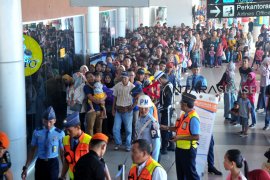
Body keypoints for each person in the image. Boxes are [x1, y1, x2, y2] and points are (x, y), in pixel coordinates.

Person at [161, 92, 200, 179]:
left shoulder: (193, 118)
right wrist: (166, 127)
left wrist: (179, 138)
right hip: (180, 149)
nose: (180, 104)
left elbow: (196, 137)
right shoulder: (184, 115)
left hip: (188, 151)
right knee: (181, 173)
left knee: (191, 174)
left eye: (181, 103)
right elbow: (177, 128)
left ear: (185, 104)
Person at [21, 106, 65, 180]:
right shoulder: (37, 132)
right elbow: (32, 151)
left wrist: (64, 172)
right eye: (45, 121)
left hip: (53, 163)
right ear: (42, 120)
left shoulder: (60, 133)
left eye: (50, 122)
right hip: (40, 163)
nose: (48, 124)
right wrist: (26, 167)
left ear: (55, 120)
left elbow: (62, 152)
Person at [59, 112, 92, 180]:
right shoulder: (65, 140)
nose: (67, 133)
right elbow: (67, 160)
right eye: (66, 130)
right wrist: (62, 176)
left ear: (78, 127)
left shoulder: (89, 140)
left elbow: (98, 163)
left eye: (69, 130)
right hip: (72, 177)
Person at [112, 71, 135, 151]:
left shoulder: (132, 86)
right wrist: (113, 109)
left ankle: (128, 145)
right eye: (123, 77)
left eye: (125, 77)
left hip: (128, 111)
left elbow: (137, 97)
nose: (124, 79)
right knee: (116, 128)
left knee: (128, 129)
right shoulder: (117, 86)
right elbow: (114, 98)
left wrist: (132, 107)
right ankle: (118, 143)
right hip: (118, 110)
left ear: (128, 78)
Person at [135, 95, 161, 161]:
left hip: (150, 155)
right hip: (141, 153)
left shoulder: (153, 123)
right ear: (138, 107)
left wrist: (154, 161)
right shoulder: (138, 120)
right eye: (141, 108)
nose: (143, 110)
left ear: (149, 108)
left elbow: (156, 143)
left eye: (146, 108)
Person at [154, 71, 173, 154]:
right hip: (165, 110)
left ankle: (164, 148)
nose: (158, 82)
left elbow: (168, 102)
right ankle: (171, 145)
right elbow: (163, 99)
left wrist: (159, 108)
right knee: (167, 127)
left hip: (167, 111)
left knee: (165, 128)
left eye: (158, 80)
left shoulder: (168, 86)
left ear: (161, 79)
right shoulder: (165, 86)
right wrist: (157, 103)